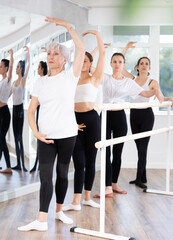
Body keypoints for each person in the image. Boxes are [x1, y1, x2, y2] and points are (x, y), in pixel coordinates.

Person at [18, 17, 85, 232]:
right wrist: (36, 133)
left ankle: (59, 211)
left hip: (67, 134)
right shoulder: (40, 81)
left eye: (56, 54)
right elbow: (30, 111)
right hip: (45, 136)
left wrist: (68, 27)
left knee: (63, 175)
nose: (51, 57)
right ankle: (40, 219)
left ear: (65, 59)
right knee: (46, 176)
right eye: (49, 53)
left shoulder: (70, 77)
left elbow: (82, 49)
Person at [93, 51, 163, 198]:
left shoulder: (128, 82)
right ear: (111, 64)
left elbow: (144, 93)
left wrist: (156, 91)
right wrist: (97, 50)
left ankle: (114, 184)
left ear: (123, 65)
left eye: (120, 62)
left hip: (120, 117)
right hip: (105, 116)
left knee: (118, 152)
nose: (117, 64)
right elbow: (90, 68)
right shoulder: (104, 78)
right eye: (114, 61)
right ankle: (107, 187)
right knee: (106, 152)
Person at [62, 30, 105, 212]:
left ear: (90, 64)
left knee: (90, 161)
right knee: (78, 162)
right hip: (74, 121)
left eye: (86, 61)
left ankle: (87, 197)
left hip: (92, 120)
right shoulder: (71, 80)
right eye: (81, 61)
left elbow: (102, 54)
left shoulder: (95, 78)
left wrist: (96, 34)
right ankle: (75, 201)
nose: (83, 64)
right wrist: (72, 123)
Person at [122, 42, 173, 189]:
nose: (144, 65)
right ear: (137, 67)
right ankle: (143, 175)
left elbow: (160, 96)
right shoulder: (132, 80)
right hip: (134, 115)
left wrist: (168, 99)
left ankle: (139, 178)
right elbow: (122, 68)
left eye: (146, 63)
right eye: (141, 63)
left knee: (143, 147)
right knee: (139, 147)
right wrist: (125, 49)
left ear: (149, 67)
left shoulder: (152, 82)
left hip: (146, 116)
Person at [9, 46, 30, 171]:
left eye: (17, 67)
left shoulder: (22, 80)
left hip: (21, 111)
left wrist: (28, 53)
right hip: (14, 111)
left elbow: (27, 67)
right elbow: (7, 96)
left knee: (19, 138)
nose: (16, 69)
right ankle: (18, 163)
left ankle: (22, 165)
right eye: (16, 67)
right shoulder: (13, 83)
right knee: (15, 138)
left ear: (20, 69)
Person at [30, 61, 48, 173]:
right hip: (37, 110)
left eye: (39, 67)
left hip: (43, 111)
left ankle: (41, 164)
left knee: (42, 137)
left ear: (42, 69)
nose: (37, 69)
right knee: (38, 137)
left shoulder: (46, 80)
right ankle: (38, 163)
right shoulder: (38, 82)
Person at [0, 50, 13, 174]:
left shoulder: (8, 80)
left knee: (1, 139)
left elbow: (11, 68)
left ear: (6, 68)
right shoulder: (2, 81)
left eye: (1, 66)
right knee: (1, 140)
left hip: (4, 113)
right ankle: (7, 166)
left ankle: (8, 166)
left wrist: (12, 56)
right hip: (0, 112)